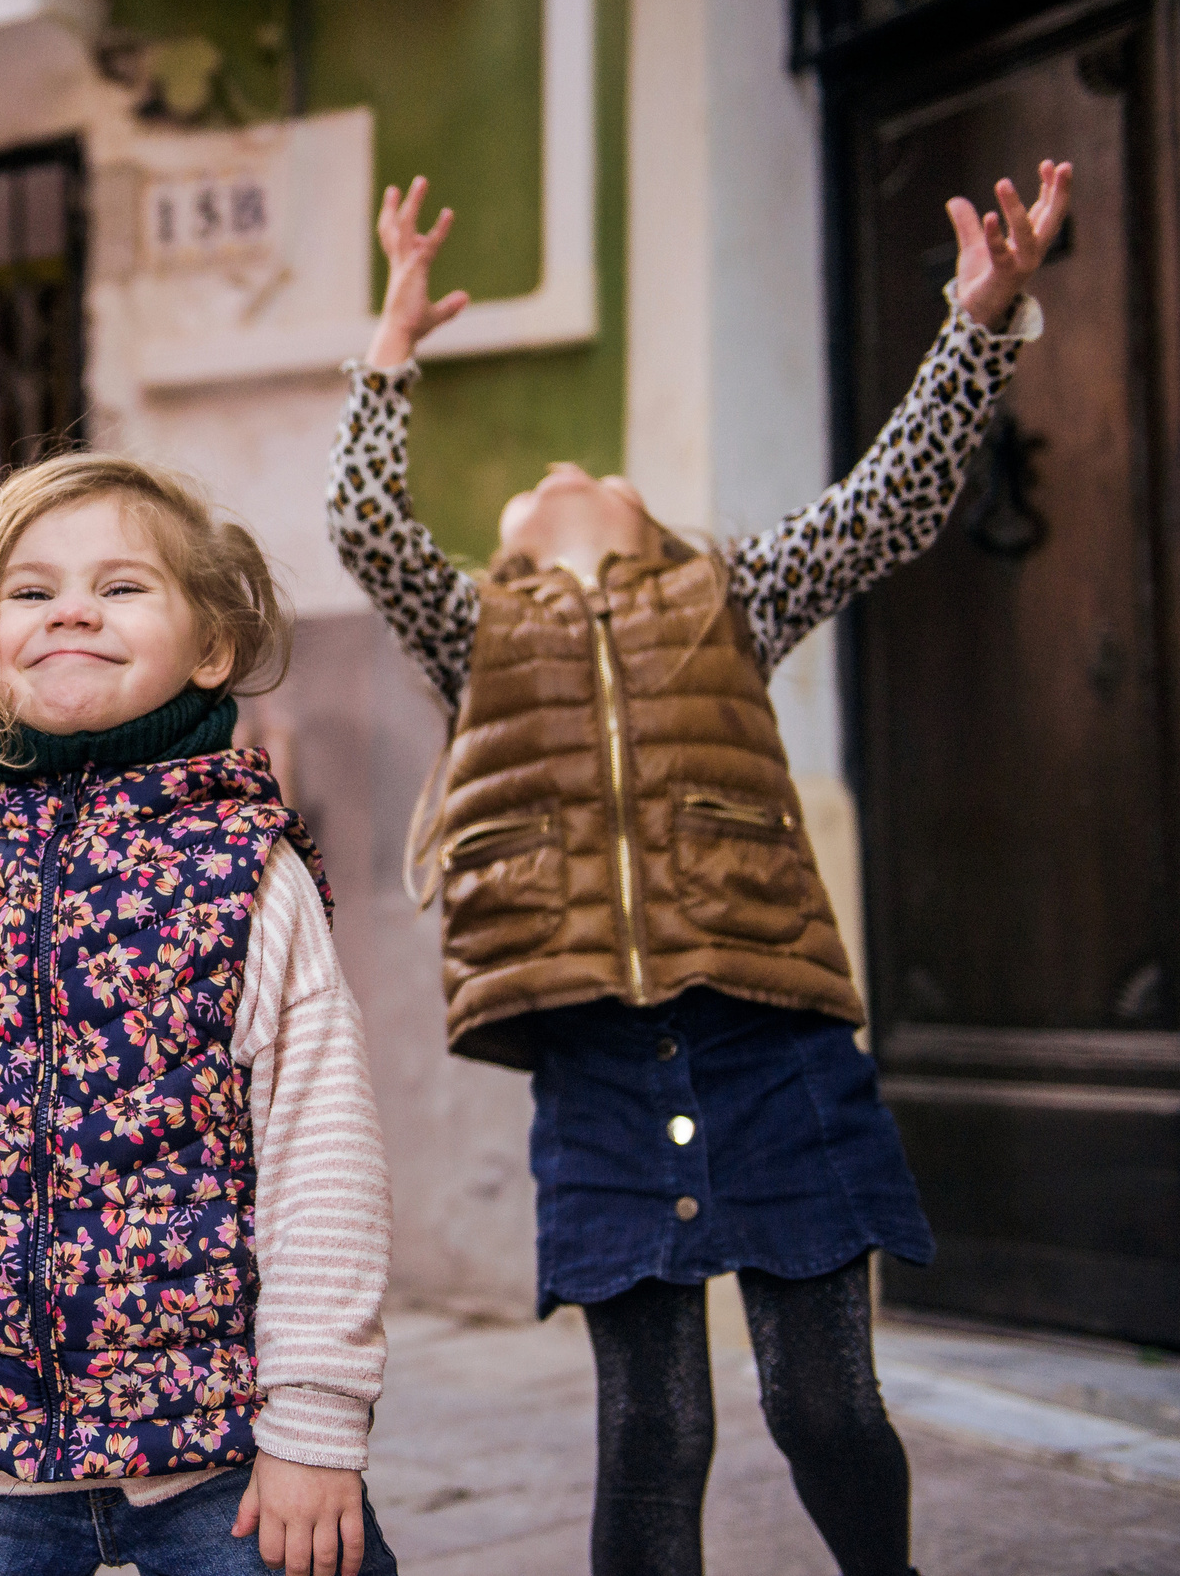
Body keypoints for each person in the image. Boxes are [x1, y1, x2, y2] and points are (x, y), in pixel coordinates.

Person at [328, 165, 1071, 1576]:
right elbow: (366, 528)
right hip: (597, 1065)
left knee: (823, 1405)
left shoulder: (726, 592)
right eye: (536, 485)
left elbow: (887, 504)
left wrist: (977, 327)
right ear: (504, 553)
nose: (564, 475)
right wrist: (391, 349)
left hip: (770, 1036)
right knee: (655, 1432)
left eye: (598, 475)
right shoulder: (475, 632)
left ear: (652, 525)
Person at [0, 454, 399, 1576]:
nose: (72, 608)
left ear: (210, 648)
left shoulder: (244, 867)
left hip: (219, 1451)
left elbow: (322, 1154)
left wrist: (315, 1421)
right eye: (31, 590)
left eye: (121, 586)